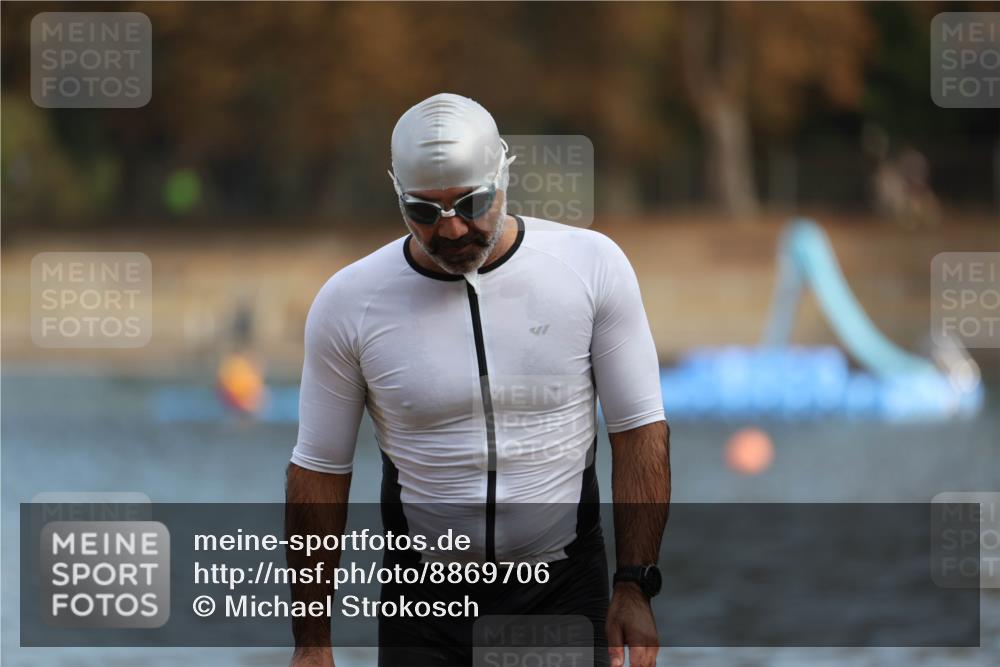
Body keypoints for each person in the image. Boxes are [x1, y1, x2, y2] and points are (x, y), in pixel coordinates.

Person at [286, 93, 671, 667]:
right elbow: (319, 471)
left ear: (504, 176)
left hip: (561, 590)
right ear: (396, 195)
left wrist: (635, 584)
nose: (452, 228)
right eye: (423, 211)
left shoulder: (592, 267)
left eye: (472, 202)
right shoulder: (350, 302)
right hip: (424, 609)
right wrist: (312, 643)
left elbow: (639, 430)